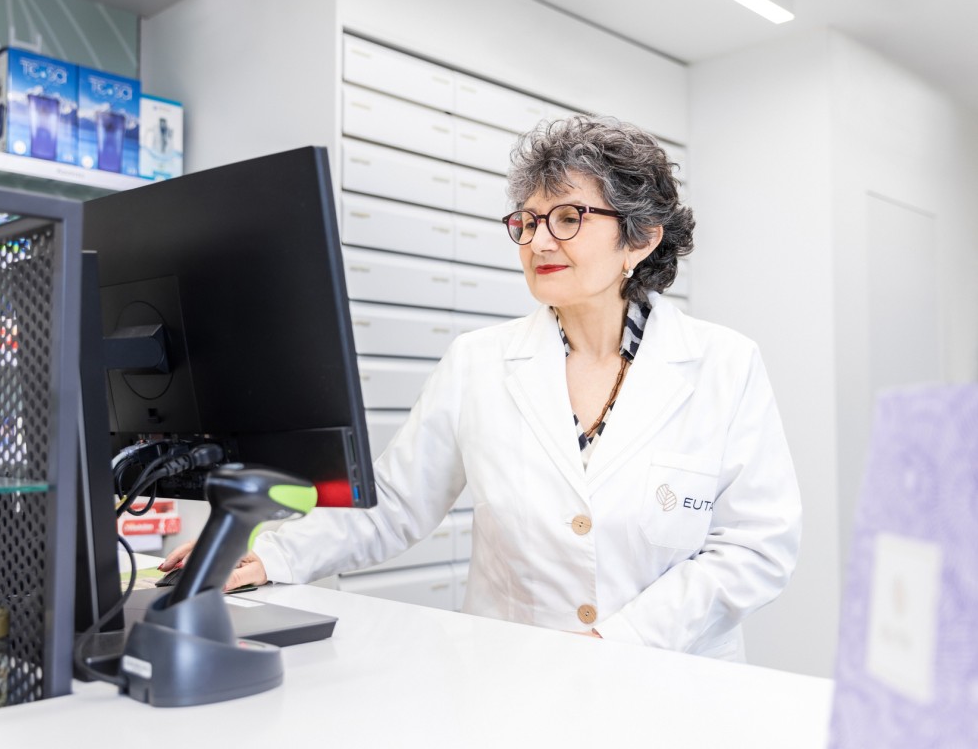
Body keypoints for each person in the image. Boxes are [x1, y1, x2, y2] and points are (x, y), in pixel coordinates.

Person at [161, 115, 802, 661]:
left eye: (569, 217)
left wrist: (620, 639)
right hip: (516, 679)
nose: (538, 241)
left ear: (641, 237)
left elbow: (754, 547)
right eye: (525, 222)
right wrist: (270, 554)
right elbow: (397, 502)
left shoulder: (723, 364)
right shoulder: (479, 361)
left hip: (671, 685)